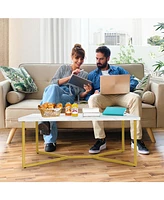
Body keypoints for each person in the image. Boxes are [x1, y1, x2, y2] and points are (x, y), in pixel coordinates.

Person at [84, 46, 149, 155]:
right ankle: (101, 140)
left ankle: (136, 140)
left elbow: (133, 81)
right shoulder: (92, 75)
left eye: (101, 59)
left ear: (108, 58)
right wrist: (92, 92)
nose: (98, 62)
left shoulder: (118, 70)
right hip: (104, 98)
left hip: (121, 95)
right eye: (96, 59)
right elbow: (87, 95)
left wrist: (122, 86)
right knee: (92, 99)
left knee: (136, 98)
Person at [39, 44, 91, 152]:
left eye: (82, 58)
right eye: (77, 58)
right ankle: (49, 140)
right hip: (55, 91)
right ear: (72, 57)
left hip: (68, 96)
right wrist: (70, 77)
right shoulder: (64, 68)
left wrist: (86, 91)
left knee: (49, 104)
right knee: (53, 88)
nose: (79, 61)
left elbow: (79, 95)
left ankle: (47, 129)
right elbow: (53, 82)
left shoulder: (84, 74)